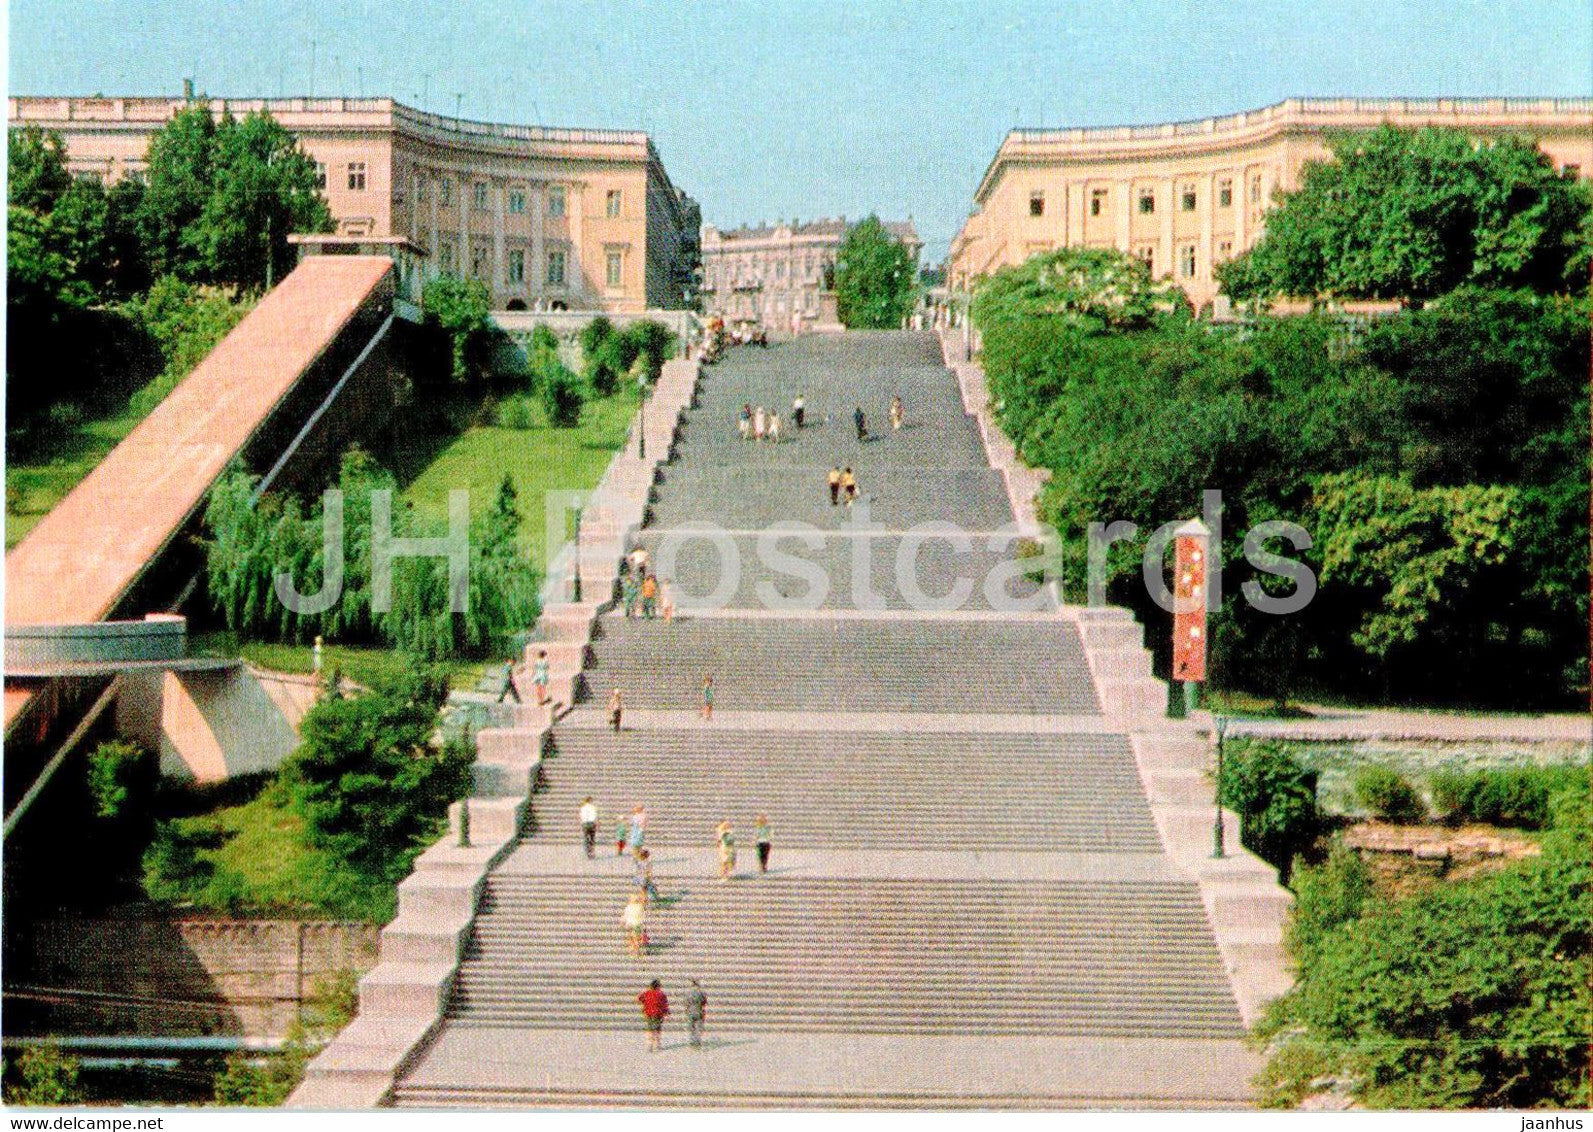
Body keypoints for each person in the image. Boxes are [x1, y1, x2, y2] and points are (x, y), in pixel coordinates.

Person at [638, 979, 669, 1053]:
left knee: (650, 1028)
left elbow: (640, 998)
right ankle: (657, 1045)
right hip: (658, 1013)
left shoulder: (647, 993)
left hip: (649, 1013)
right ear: (658, 986)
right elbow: (665, 1005)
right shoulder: (661, 994)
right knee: (657, 1029)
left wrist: (646, 1004)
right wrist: (666, 1013)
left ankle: (650, 1045)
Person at [625, 897, 649, 961]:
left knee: (631, 937)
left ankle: (634, 950)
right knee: (637, 937)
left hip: (630, 924)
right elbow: (643, 916)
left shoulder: (628, 907)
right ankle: (638, 950)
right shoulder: (640, 907)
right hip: (637, 924)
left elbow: (625, 916)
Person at [685, 980, 708, 1049]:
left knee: (692, 1027)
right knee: (698, 1027)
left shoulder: (688, 993)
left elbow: (686, 1002)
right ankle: (697, 1041)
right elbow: (704, 1002)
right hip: (699, 1010)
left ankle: (692, 1041)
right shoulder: (701, 993)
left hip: (691, 1011)